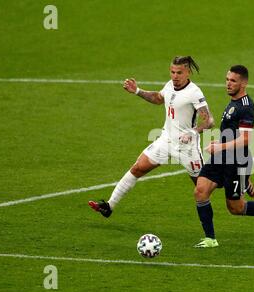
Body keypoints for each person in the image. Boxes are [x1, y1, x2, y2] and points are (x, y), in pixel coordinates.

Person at [89, 56, 214, 217]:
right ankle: (109, 206)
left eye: (179, 73)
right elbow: (158, 98)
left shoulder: (194, 93)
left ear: (188, 72)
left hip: (187, 148)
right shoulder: (169, 86)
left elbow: (209, 120)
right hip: (165, 140)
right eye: (172, 72)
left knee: (203, 188)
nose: (175, 76)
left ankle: (232, 181)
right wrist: (137, 91)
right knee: (137, 168)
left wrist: (192, 132)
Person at [193, 65, 254, 248]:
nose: (228, 84)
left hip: (236, 162)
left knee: (235, 208)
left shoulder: (246, 107)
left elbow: (245, 140)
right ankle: (210, 239)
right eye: (227, 79)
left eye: (233, 81)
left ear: (243, 83)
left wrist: (221, 149)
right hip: (222, 157)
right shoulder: (232, 103)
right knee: (200, 191)